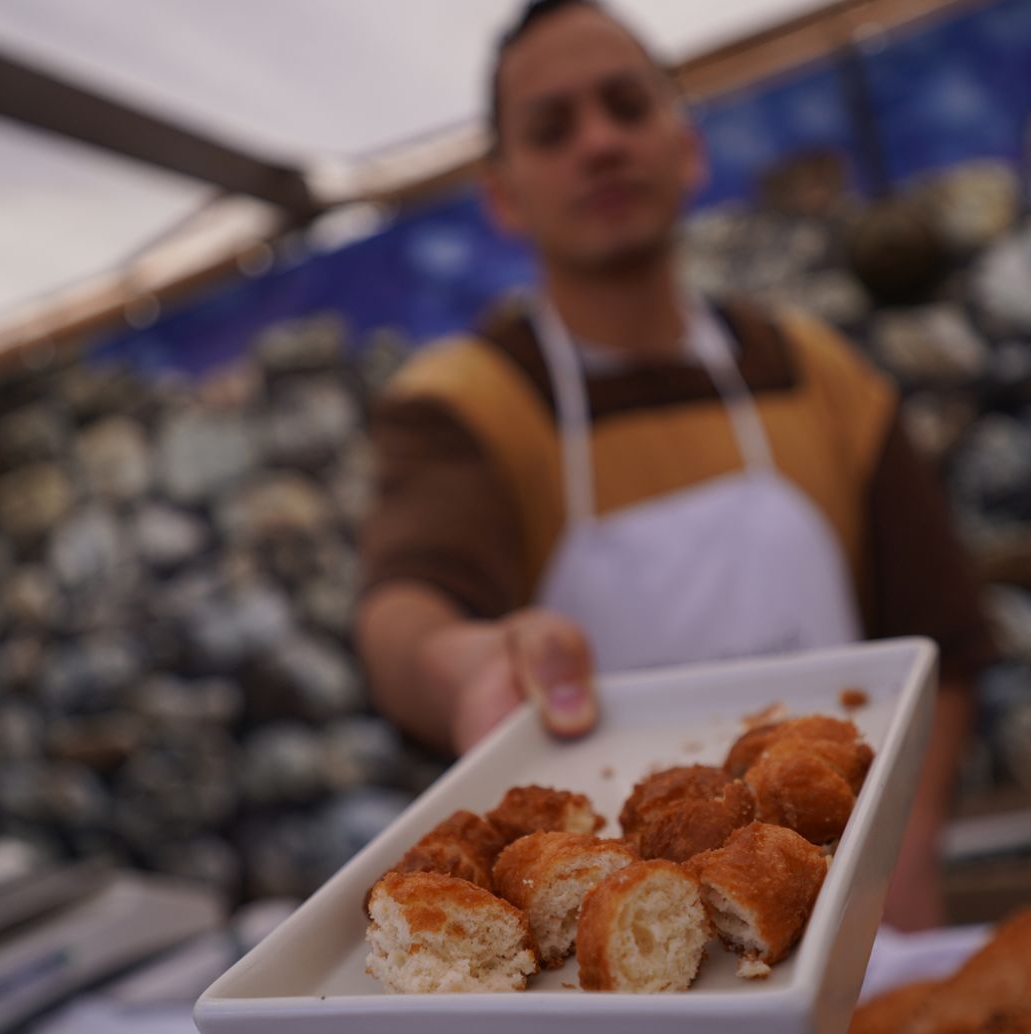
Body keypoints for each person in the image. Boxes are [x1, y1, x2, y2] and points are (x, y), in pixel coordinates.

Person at [356, 0, 992, 931]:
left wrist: (906, 849)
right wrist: (464, 666)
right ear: (503, 194)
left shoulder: (818, 373)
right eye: (552, 128)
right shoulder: (469, 402)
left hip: (852, 907)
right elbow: (404, 610)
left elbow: (946, 635)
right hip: (620, 930)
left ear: (687, 146)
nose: (600, 143)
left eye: (627, 106)